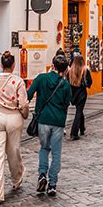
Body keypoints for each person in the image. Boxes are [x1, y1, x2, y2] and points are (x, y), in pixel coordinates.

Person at [0, 51, 30, 206]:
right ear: (13, 65)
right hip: (13, 117)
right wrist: (24, 114)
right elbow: (23, 103)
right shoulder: (18, 81)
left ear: (1, 65)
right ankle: (16, 179)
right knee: (13, 150)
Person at [27, 53, 72, 197]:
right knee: (56, 153)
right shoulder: (65, 84)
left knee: (44, 148)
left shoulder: (41, 78)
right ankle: (52, 184)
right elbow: (67, 103)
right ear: (65, 69)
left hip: (43, 120)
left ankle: (42, 174)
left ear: (52, 65)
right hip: (58, 122)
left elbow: (28, 94)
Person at [66, 52, 92, 140]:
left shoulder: (70, 72)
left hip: (73, 94)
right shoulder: (85, 71)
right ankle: (74, 133)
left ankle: (82, 128)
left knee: (79, 110)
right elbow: (89, 82)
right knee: (79, 111)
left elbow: (67, 82)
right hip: (81, 94)